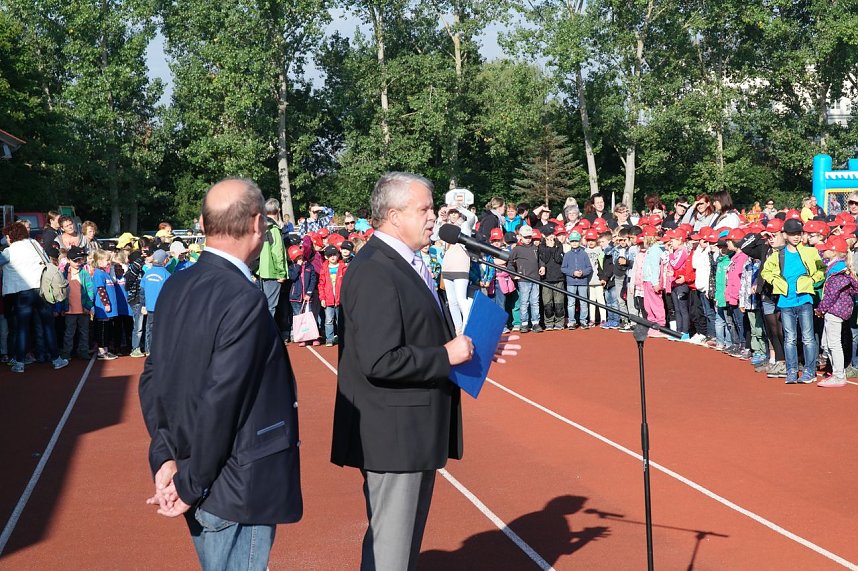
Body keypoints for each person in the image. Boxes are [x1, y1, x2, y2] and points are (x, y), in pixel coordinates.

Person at [331, 172, 517, 571]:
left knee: (400, 552)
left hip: (412, 431)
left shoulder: (406, 261)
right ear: (394, 216)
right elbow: (379, 360)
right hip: (394, 436)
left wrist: (474, 348)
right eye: (425, 209)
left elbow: (421, 333)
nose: (435, 216)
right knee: (391, 555)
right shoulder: (376, 270)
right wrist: (446, 355)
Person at [139, 178, 302, 570]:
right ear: (257, 223)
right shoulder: (243, 297)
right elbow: (222, 398)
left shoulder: (178, 284)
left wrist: (164, 456)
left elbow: (153, 376)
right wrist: (189, 483)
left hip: (195, 469)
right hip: (232, 484)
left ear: (204, 223)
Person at [761, 218, 825, 384]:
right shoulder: (778, 255)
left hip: (804, 300)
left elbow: (821, 270)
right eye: (792, 234)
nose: (796, 237)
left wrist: (812, 281)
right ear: (785, 235)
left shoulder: (810, 252)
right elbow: (765, 272)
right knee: (790, 338)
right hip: (785, 302)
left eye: (798, 233)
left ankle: (810, 372)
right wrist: (775, 281)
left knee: (808, 338)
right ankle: (791, 371)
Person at [1, 222, 69, 372]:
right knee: (48, 325)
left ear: (11, 236)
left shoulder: (9, 251)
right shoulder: (34, 244)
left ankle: (19, 363)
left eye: (7, 236)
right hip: (41, 290)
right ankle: (56, 359)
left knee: (22, 328)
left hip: (22, 292)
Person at [257, 198, 288, 317]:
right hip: (273, 272)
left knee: (264, 306)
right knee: (271, 307)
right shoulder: (273, 229)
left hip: (261, 271)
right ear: (278, 210)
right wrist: (281, 273)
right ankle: (267, 334)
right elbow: (277, 252)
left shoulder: (260, 227)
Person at [140, 250, 171, 355]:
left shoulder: (147, 273)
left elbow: (142, 291)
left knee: (149, 328)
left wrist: (143, 305)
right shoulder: (167, 274)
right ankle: (161, 349)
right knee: (162, 329)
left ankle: (149, 350)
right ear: (164, 261)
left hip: (150, 307)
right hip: (162, 308)